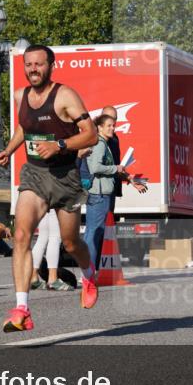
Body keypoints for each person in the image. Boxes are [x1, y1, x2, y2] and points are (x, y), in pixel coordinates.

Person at [0, 44, 99, 333]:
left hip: (65, 177)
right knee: (20, 235)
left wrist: (60, 145)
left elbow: (90, 135)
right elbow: (23, 128)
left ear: (51, 66)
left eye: (39, 64)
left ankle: (89, 275)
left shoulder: (64, 96)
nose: (33, 70)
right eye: (29, 65)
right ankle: (22, 309)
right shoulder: (20, 96)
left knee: (70, 243)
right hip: (35, 174)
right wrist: (9, 149)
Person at [83, 114, 122, 270]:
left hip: (101, 194)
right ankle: (88, 272)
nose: (113, 128)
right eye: (109, 125)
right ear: (99, 127)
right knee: (93, 234)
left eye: (114, 125)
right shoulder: (99, 143)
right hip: (98, 195)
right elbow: (95, 167)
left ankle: (89, 271)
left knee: (95, 233)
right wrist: (115, 168)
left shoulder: (103, 143)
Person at [30, 210, 73, 291]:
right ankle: (52, 279)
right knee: (55, 237)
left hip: (43, 201)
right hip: (54, 201)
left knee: (42, 237)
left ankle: (33, 278)